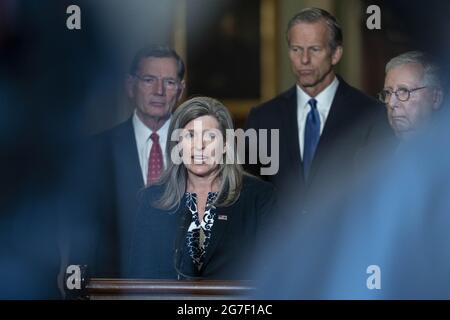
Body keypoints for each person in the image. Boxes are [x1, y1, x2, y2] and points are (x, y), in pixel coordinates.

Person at [244, 7, 390, 211]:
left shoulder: (370, 116)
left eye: (314, 49)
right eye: (296, 49)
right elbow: (249, 196)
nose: (304, 60)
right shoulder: (263, 117)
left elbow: (381, 192)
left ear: (336, 54)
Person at [66, 45, 186, 278]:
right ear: (130, 86)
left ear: (180, 91)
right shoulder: (98, 151)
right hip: (114, 285)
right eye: (149, 80)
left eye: (169, 82)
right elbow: (82, 233)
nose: (159, 91)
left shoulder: (200, 149)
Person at [126, 96, 275, 280]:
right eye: (190, 136)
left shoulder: (259, 198)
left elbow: (275, 276)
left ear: (226, 145)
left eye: (210, 136)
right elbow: (139, 277)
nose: (199, 146)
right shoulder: (153, 199)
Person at [379, 51, 444, 140]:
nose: (391, 103)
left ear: (436, 98)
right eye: (388, 93)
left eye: (404, 91)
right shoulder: (373, 149)